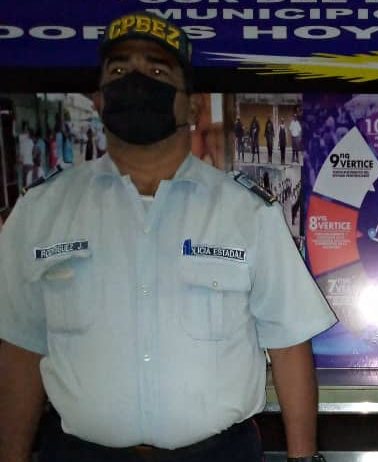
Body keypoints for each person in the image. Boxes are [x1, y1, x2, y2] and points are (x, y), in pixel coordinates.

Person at [0, 12, 335, 462]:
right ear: (97, 100)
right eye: (119, 70)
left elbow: (290, 346)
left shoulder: (247, 213)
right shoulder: (41, 212)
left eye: (157, 71)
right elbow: (20, 350)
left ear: (192, 107)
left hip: (218, 455)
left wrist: (303, 459)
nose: (136, 81)